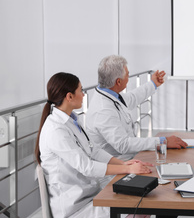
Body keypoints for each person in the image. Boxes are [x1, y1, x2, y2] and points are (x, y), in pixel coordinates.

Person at [35, 72, 153, 218]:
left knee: (144, 203)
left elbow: (94, 150)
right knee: (140, 209)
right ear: (69, 97)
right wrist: (126, 168)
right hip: (75, 208)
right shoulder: (55, 130)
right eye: (80, 90)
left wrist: (124, 164)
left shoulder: (72, 120)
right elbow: (87, 167)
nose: (84, 94)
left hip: (90, 195)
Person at [86, 55, 187, 162]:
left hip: (129, 158)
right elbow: (123, 145)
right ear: (118, 82)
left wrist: (153, 84)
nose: (129, 77)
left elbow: (132, 98)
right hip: (117, 166)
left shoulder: (109, 94)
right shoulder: (103, 110)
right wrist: (163, 141)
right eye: (128, 75)